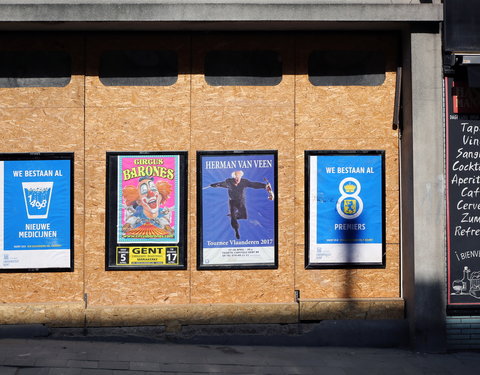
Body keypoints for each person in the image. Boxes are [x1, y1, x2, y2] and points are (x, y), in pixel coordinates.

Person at [210, 170, 273, 239]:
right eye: (235, 178)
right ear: (233, 177)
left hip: (241, 201)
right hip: (232, 202)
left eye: (238, 178)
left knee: (244, 216)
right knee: (233, 217)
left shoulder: (244, 182)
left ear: (241, 177)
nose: (237, 179)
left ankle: (233, 215)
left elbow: (253, 184)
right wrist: (215, 185)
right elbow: (222, 184)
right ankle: (236, 230)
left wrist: (265, 186)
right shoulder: (229, 181)